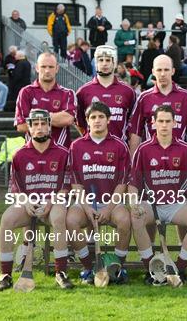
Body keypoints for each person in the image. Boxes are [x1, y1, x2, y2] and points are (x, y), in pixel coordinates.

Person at [0, 109, 73, 291]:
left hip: (53, 202)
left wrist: (50, 201)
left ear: (49, 127)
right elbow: (15, 188)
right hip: (28, 203)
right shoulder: (19, 155)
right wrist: (26, 202)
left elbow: (66, 186)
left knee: (58, 218)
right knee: (6, 219)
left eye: (43, 123)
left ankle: (60, 273)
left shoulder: (63, 153)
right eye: (35, 124)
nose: (39, 127)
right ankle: (5, 275)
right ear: (28, 128)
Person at [128, 105, 187, 285]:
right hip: (151, 204)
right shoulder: (143, 149)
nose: (164, 125)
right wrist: (134, 204)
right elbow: (133, 184)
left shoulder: (186, 149)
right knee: (135, 217)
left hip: (176, 204)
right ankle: (151, 270)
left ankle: (179, 268)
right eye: (160, 121)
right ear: (153, 123)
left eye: (167, 121)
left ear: (174, 123)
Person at [66, 101, 132, 285]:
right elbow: (75, 182)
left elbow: (122, 183)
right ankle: (88, 268)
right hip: (85, 202)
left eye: (101, 117)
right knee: (71, 221)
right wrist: (87, 208)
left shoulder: (120, 146)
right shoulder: (76, 146)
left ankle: (118, 267)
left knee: (125, 220)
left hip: (111, 201)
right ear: (87, 121)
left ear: (109, 120)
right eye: (93, 117)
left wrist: (109, 208)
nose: (97, 121)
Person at [128, 55, 187, 155]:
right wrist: (133, 161)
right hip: (151, 158)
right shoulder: (144, 98)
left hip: (179, 158)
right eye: (159, 70)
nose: (162, 74)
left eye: (166, 70)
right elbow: (136, 133)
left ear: (173, 71)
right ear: (153, 72)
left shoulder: (185, 97)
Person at [15, 52, 76, 149]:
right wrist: (55, 117)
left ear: (57, 69)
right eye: (43, 66)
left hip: (61, 154)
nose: (47, 71)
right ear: (37, 68)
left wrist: (35, 118)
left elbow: (68, 119)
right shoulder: (25, 92)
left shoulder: (68, 93)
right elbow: (21, 125)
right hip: (32, 153)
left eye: (51, 67)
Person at [76, 45, 136, 141]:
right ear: (96, 63)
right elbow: (80, 123)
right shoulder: (83, 91)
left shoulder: (128, 91)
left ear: (114, 63)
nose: (104, 64)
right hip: (91, 149)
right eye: (100, 60)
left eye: (108, 60)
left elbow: (133, 123)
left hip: (119, 150)